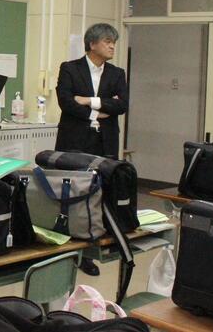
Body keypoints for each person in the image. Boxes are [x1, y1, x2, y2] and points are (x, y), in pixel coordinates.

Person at [55, 22, 129, 276]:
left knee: (103, 190)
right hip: (75, 139)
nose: (112, 46)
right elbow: (66, 102)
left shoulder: (117, 73)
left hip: (105, 140)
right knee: (75, 192)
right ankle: (74, 247)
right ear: (92, 44)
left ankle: (96, 243)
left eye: (114, 42)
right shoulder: (70, 68)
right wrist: (97, 111)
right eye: (108, 41)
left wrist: (88, 101)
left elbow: (122, 105)